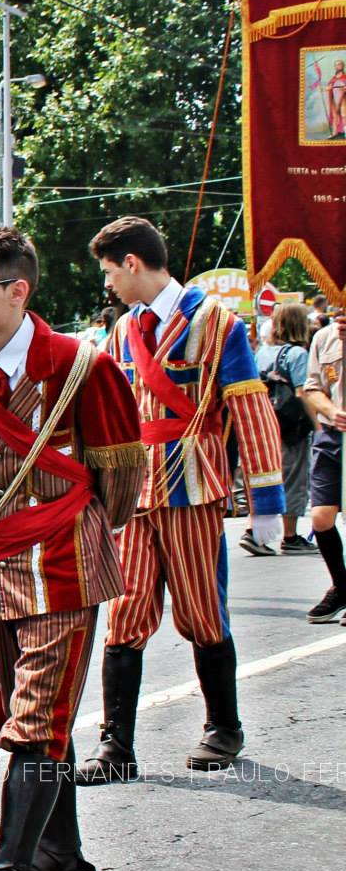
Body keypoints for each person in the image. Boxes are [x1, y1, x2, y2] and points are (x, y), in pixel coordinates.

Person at [0, 227, 145, 871]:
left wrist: (80, 530)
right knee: (37, 713)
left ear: (18, 290)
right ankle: (59, 851)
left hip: (63, 563)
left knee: (32, 718)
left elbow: (119, 479)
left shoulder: (82, 366)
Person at [82, 216, 285, 781]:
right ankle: (115, 746)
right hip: (135, 492)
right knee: (125, 612)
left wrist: (267, 502)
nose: (108, 287)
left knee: (202, 610)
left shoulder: (217, 324)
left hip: (194, 484)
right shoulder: (120, 332)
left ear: (132, 263)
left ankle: (224, 726)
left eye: (108, 272)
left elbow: (248, 406)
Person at [252, 301, 317, 556]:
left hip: (267, 422)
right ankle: (290, 535)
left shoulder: (263, 351)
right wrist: (318, 423)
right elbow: (303, 392)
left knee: (268, 477)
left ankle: (257, 532)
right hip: (291, 427)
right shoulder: (298, 354)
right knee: (294, 478)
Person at [301, 303, 346, 622]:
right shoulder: (323, 338)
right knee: (320, 517)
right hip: (332, 436)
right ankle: (342, 586)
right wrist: (331, 412)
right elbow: (313, 387)